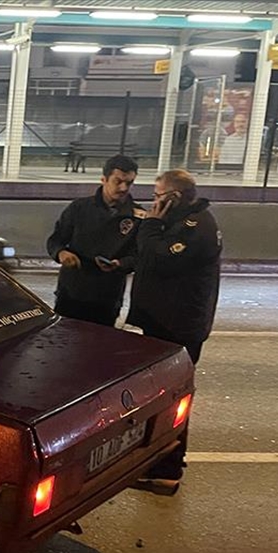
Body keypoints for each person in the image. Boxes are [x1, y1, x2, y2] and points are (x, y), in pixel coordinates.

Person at [128, 169, 222, 493]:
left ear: (174, 197)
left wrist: (150, 224)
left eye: (157, 196)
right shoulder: (184, 221)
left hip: (178, 328)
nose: (153, 203)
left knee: (172, 401)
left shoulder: (196, 227)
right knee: (161, 400)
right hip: (166, 323)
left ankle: (167, 470)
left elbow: (159, 259)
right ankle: (157, 463)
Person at [45, 155, 143, 327]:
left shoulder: (137, 216)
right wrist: (61, 253)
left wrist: (120, 263)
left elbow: (139, 255)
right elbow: (55, 240)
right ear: (103, 179)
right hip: (72, 294)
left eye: (129, 183)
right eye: (118, 181)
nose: (123, 188)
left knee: (98, 348)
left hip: (106, 298)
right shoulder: (79, 208)